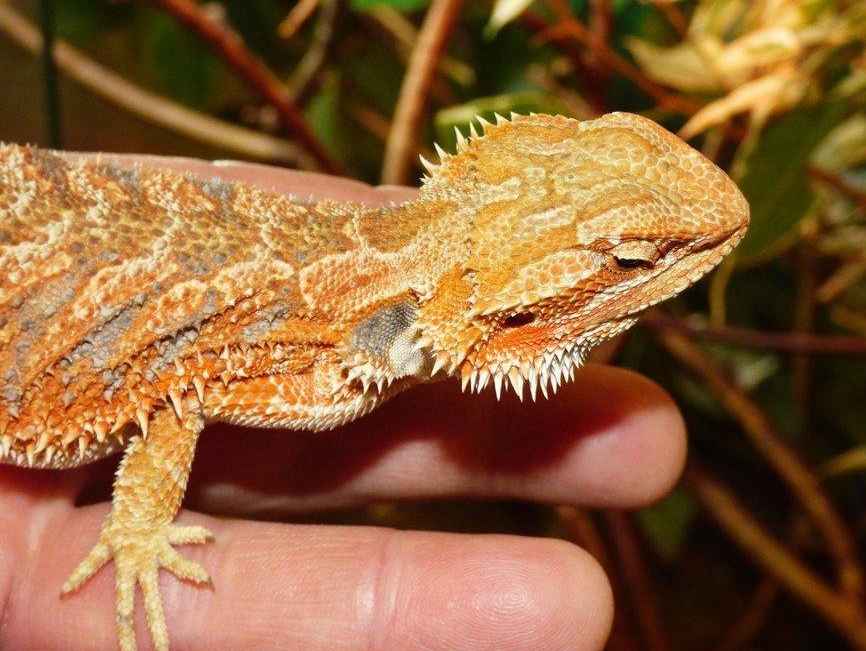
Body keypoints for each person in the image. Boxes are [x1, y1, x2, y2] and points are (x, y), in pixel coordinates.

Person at [0, 156, 686, 650]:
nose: (639, 269)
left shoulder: (361, 317)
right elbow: (186, 391)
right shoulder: (331, 365)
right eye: (629, 259)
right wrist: (141, 526)